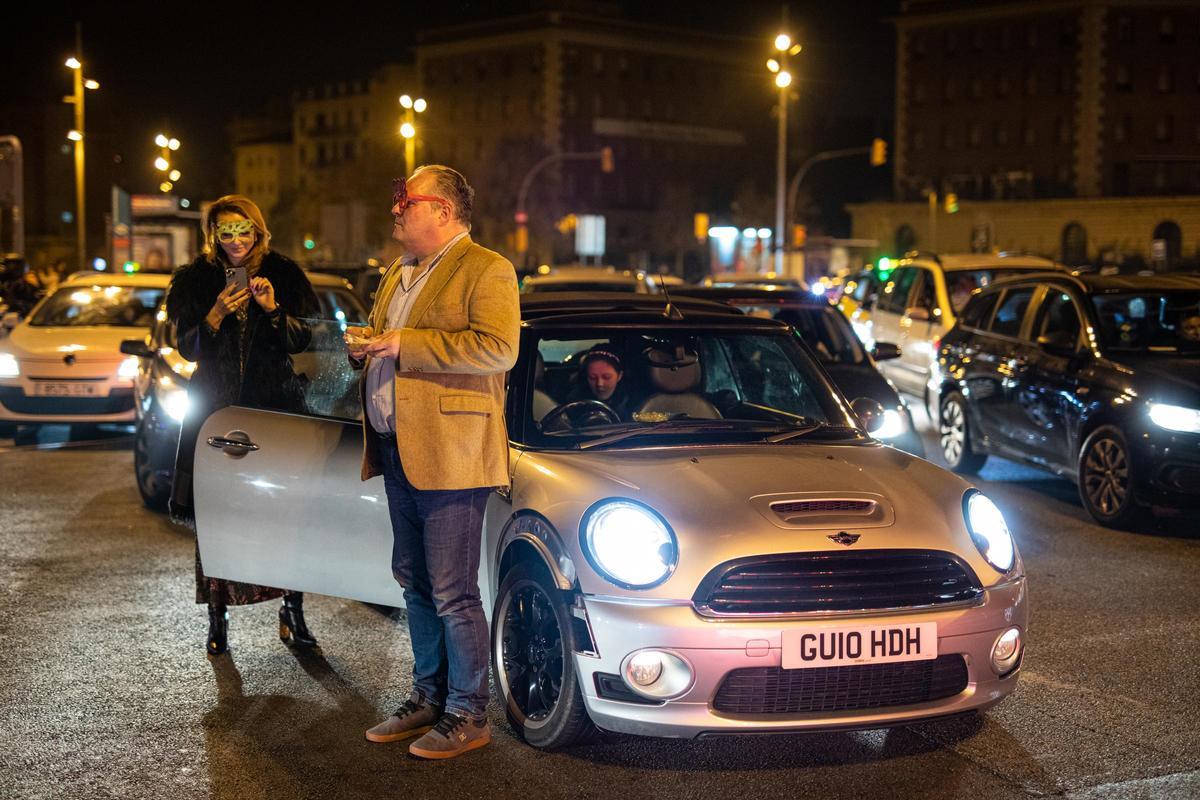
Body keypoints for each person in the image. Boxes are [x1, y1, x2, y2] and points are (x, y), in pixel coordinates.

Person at [345, 165, 519, 760]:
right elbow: (387, 344)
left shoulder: (487, 268)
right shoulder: (399, 271)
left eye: (406, 200)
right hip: (396, 447)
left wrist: (401, 343)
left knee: (452, 591)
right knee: (413, 581)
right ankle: (429, 698)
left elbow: (499, 349)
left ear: (443, 211)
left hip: (452, 456)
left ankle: (469, 713)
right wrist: (366, 346)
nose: (395, 210)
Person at [164, 194, 320, 658]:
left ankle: (293, 611)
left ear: (258, 230)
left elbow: (304, 337)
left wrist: (273, 310)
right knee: (217, 515)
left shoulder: (285, 273)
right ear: (213, 236)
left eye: (243, 229)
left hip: (273, 408)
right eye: (225, 232)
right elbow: (187, 349)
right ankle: (218, 618)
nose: (235, 240)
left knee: (284, 512)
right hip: (214, 408)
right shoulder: (195, 281)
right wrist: (213, 315)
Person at [566, 345, 632, 419]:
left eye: (607, 377)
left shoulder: (634, 402)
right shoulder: (573, 405)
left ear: (619, 376)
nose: (599, 384)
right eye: (592, 378)